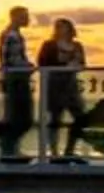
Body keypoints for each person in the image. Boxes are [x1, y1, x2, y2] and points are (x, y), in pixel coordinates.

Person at [38, 17, 90, 164]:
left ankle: (69, 151)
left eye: (62, 26)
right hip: (54, 85)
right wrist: (62, 65)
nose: (59, 29)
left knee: (81, 117)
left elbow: (83, 63)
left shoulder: (77, 45)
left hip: (71, 85)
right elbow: (42, 63)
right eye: (57, 27)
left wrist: (76, 65)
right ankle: (54, 154)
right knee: (55, 118)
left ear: (69, 29)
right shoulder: (49, 45)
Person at [0, 5, 36, 164]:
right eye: (24, 16)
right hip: (16, 80)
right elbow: (12, 60)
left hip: (15, 79)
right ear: (15, 17)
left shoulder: (12, 35)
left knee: (17, 116)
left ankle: (11, 150)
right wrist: (29, 68)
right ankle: (9, 150)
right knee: (22, 116)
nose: (28, 20)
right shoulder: (11, 36)